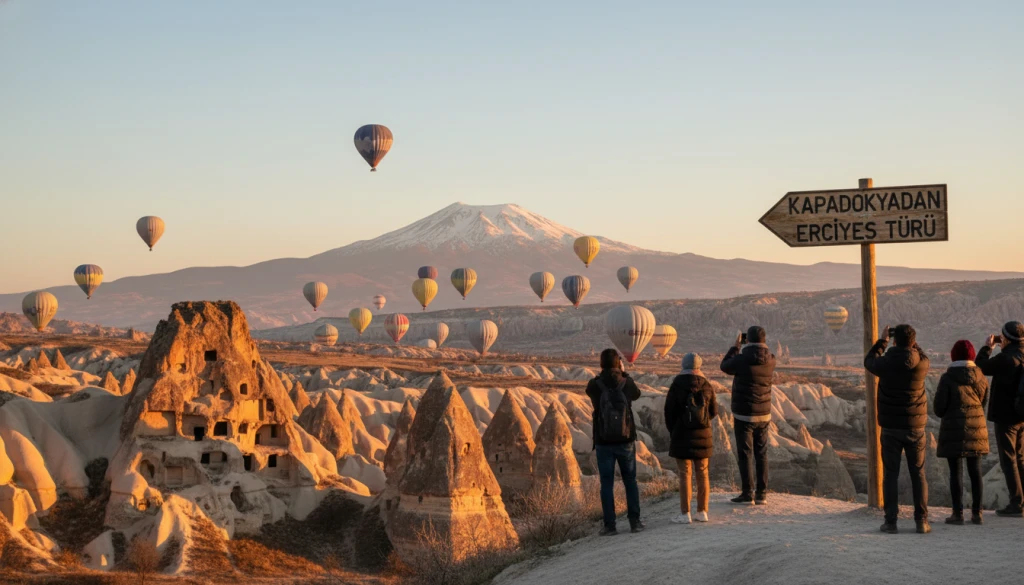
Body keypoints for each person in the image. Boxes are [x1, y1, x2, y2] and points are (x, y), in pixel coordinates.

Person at [865, 324, 931, 534]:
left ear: (894, 340)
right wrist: (913, 343)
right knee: (918, 474)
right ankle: (922, 521)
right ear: (913, 341)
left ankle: (891, 522)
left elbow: (869, 361)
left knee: (891, 475)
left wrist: (882, 341)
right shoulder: (922, 364)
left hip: (891, 428)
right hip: (915, 428)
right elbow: (921, 354)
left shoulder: (885, 363)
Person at [585, 349, 644, 535]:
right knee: (630, 481)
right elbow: (637, 394)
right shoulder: (627, 383)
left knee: (607, 484)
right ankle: (635, 522)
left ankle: (610, 526)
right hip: (626, 439)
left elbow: (589, 391)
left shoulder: (594, 384)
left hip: (603, 441)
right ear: (619, 363)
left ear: (601, 363)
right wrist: (624, 372)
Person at [934, 340, 989, 525]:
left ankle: (957, 514)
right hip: (977, 429)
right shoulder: (981, 376)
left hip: (953, 430)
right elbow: (983, 403)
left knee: (955, 472)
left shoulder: (947, 378)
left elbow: (939, 409)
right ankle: (977, 513)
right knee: (976, 471)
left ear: (953, 356)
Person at [720, 325, 776, 505]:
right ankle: (762, 494)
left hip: (744, 415)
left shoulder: (741, 359)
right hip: (764, 414)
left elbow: (724, 366)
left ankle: (747, 493)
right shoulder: (772, 360)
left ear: (747, 340)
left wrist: (736, 346)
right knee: (762, 454)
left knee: (745, 454)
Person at [975, 321, 1024, 518]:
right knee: (1019, 458)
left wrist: (988, 346)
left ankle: (1017, 503)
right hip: (1021, 415)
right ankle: (1021, 500)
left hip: (1006, 416)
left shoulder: (1006, 359)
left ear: (1005, 338)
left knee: (1008, 459)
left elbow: (981, 366)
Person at [665, 352, 718, 524]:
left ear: (683, 365)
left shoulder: (676, 385)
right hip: (703, 436)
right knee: (703, 474)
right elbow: (713, 412)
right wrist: (702, 423)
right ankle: (702, 511)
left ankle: (685, 514)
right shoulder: (707, 385)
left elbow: (669, 413)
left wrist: (675, 430)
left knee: (684, 474)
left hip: (681, 436)